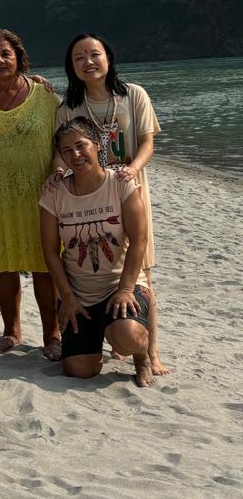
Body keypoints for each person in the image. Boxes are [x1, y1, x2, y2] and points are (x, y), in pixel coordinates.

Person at [40, 118, 158, 387]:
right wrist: (67, 298)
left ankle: (142, 357)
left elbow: (139, 240)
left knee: (127, 337)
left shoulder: (120, 182)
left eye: (81, 146)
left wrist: (127, 289)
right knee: (79, 369)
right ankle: (95, 342)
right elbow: (49, 251)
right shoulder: (54, 193)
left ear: (96, 145)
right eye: (66, 150)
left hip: (119, 287)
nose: (76, 155)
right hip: (79, 296)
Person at [0, 28, 61, 358]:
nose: (0, 60)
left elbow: (66, 140)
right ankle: (11, 330)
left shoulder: (45, 96)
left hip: (41, 195)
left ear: (19, 57)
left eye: (6, 54)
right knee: (3, 264)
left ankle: (52, 334)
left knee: (45, 265)